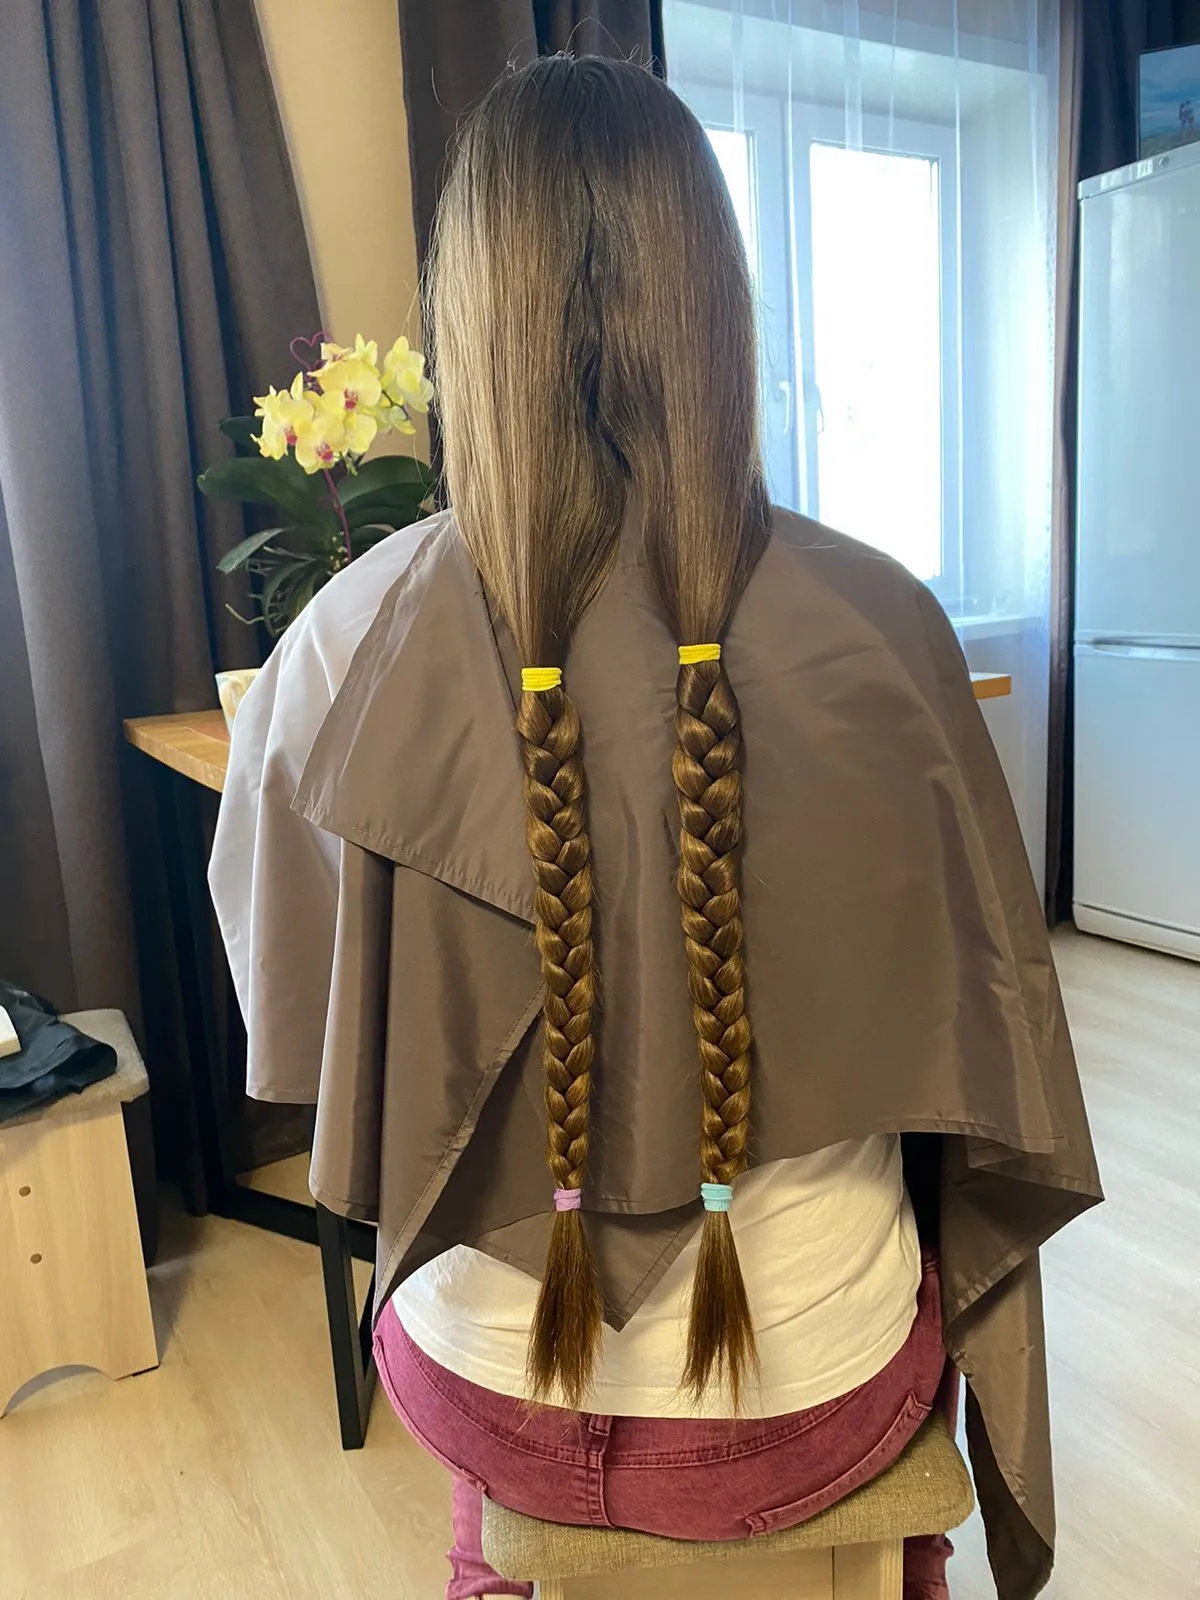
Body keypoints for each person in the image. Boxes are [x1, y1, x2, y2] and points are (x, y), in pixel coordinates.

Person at [210, 56, 1100, 1600]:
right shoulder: (887, 628)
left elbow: (299, 1039)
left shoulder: (338, 644)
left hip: (488, 1383)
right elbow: (988, 1044)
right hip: (809, 1391)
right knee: (910, 1310)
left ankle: (497, 1563)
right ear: (713, 307)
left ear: (473, 315)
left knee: (486, 1443)